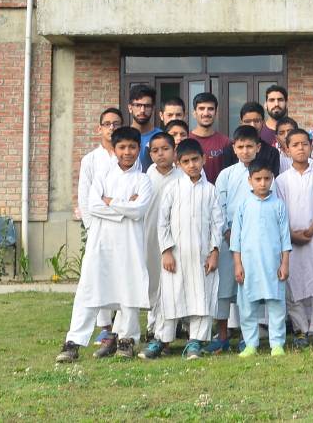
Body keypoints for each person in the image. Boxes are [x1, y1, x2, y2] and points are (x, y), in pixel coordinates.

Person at [57, 125, 153, 363]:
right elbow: (93, 206)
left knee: (128, 289)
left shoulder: (144, 180)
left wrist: (110, 202)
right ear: (115, 148)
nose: (127, 152)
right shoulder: (102, 176)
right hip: (101, 243)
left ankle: (127, 339)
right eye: (122, 147)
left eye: (132, 147)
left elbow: (139, 210)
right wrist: (123, 206)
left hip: (130, 244)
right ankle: (73, 342)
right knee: (90, 290)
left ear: (138, 149)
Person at [150, 140, 223, 360]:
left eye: (195, 160)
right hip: (176, 256)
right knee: (171, 295)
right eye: (186, 161)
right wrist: (166, 251)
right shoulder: (172, 189)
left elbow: (218, 223)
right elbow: (162, 222)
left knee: (201, 297)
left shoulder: (211, 191)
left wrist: (215, 251)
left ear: (203, 158)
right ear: (178, 163)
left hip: (202, 255)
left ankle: (195, 342)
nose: (191, 165)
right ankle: (161, 340)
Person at [274, 129, 313, 349]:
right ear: (286, 149)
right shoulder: (281, 181)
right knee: (294, 284)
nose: (300, 148)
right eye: (295, 144)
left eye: (304, 144)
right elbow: (278, 212)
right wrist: (291, 235)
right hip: (290, 242)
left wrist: (309, 232)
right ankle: (299, 329)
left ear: (311, 146)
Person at [209, 125, 263, 353]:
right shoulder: (227, 174)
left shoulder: (264, 174)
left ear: (258, 148)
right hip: (228, 238)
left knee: (248, 288)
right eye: (241, 147)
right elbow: (218, 206)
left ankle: (247, 335)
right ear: (234, 148)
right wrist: (227, 232)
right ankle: (222, 334)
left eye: (250, 146)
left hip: (254, 242)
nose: (245, 151)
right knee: (224, 287)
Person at [231, 160, 291, 357]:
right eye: (258, 179)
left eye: (267, 179)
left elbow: (285, 237)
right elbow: (236, 238)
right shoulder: (243, 205)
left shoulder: (279, 205)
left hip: (273, 264)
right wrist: (238, 264)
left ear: (272, 179)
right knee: (248, 307)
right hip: (249, 265)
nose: (263, 183)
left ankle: (277, 344)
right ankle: (250, 344)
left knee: (276, 306)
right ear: (250, 180)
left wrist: (284, 263)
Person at [137, 131, 181, 354]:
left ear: (174, 150)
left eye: (165, 149)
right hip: (150, 238)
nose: (161, 154)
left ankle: (170, 329)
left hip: (177, 241)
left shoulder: (182, 176)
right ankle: (153, 325)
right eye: (155, 150)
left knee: (171, 285)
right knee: (153, 283)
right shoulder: (146, 176)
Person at [219, 102, 281, 174]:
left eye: (257, 121)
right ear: (241, 123)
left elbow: (271, 181)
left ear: (263, 122)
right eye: (247, 121)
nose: (252, 125)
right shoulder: (229, 151)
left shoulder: (272, 153)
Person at [188, 92, 231, 184]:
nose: (206, 113)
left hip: (218, 196)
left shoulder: (226, 142)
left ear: (216, 112)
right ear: (194, 113)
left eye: (210, 109)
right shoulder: (186, 140)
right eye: (201, 109)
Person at [127, 84, 162, 170]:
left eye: (147, 106)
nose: (142, 110)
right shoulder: (122, 137)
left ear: (153, 108)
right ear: (130, 108)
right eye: (138, 105)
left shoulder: (162, 137)